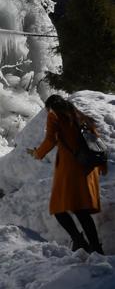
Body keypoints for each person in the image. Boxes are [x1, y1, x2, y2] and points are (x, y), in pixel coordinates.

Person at [29, 94, 106, 254]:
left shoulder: (54, 115)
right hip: (87, 168)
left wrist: (37, 154)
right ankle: (95, 248)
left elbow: (50, 140)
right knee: (81, 210)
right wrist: (102, 165)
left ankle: (80, 242)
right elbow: (95, 140)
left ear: (50, 107)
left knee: (58, 208)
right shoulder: (79, 115)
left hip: (70, 168)